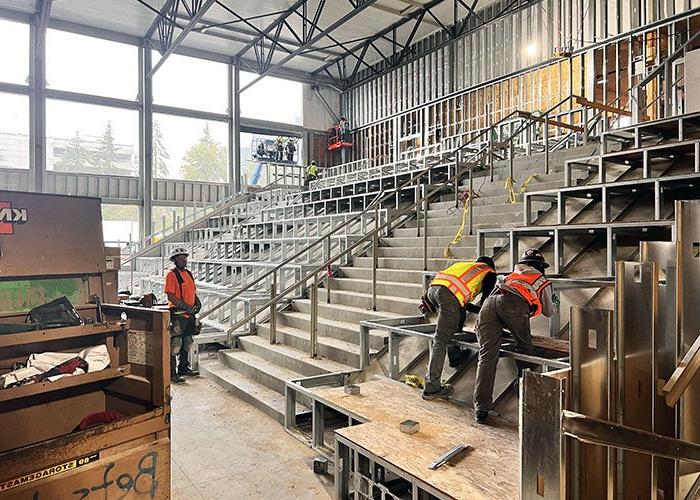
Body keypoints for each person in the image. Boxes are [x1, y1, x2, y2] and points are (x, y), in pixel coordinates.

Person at [472, 248, 559, 424]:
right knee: (525, 349)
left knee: (487, 356)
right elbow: (550, 311)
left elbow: (495, 303)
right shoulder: (541, 280)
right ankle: (522, 388)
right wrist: (555, 301)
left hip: (489, 304)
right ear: (540, 267)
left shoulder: (511, 275)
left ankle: (481, 408)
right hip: (513, 305)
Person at [420, 257, 497, 401]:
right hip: (448, 296)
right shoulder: (489, 272)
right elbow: (486, 305)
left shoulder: (465, 267)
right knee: (440, 341)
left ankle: (455, 356)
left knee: (454, 317)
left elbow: (461, 304)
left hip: (432, 290)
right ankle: (431, 388)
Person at [164, 247, 202, 384]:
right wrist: (186, 307)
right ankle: (172, 373)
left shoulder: (188, 274)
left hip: (190, 315)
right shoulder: (171, 275)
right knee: (176, 344)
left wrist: (197, 303)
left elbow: (193, 291)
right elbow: (170, 295)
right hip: (178, 314)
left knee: (188, 341)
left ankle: (183, 368)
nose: (183, 260)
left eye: (184, 258)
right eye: (180, 258)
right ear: (174, 260)